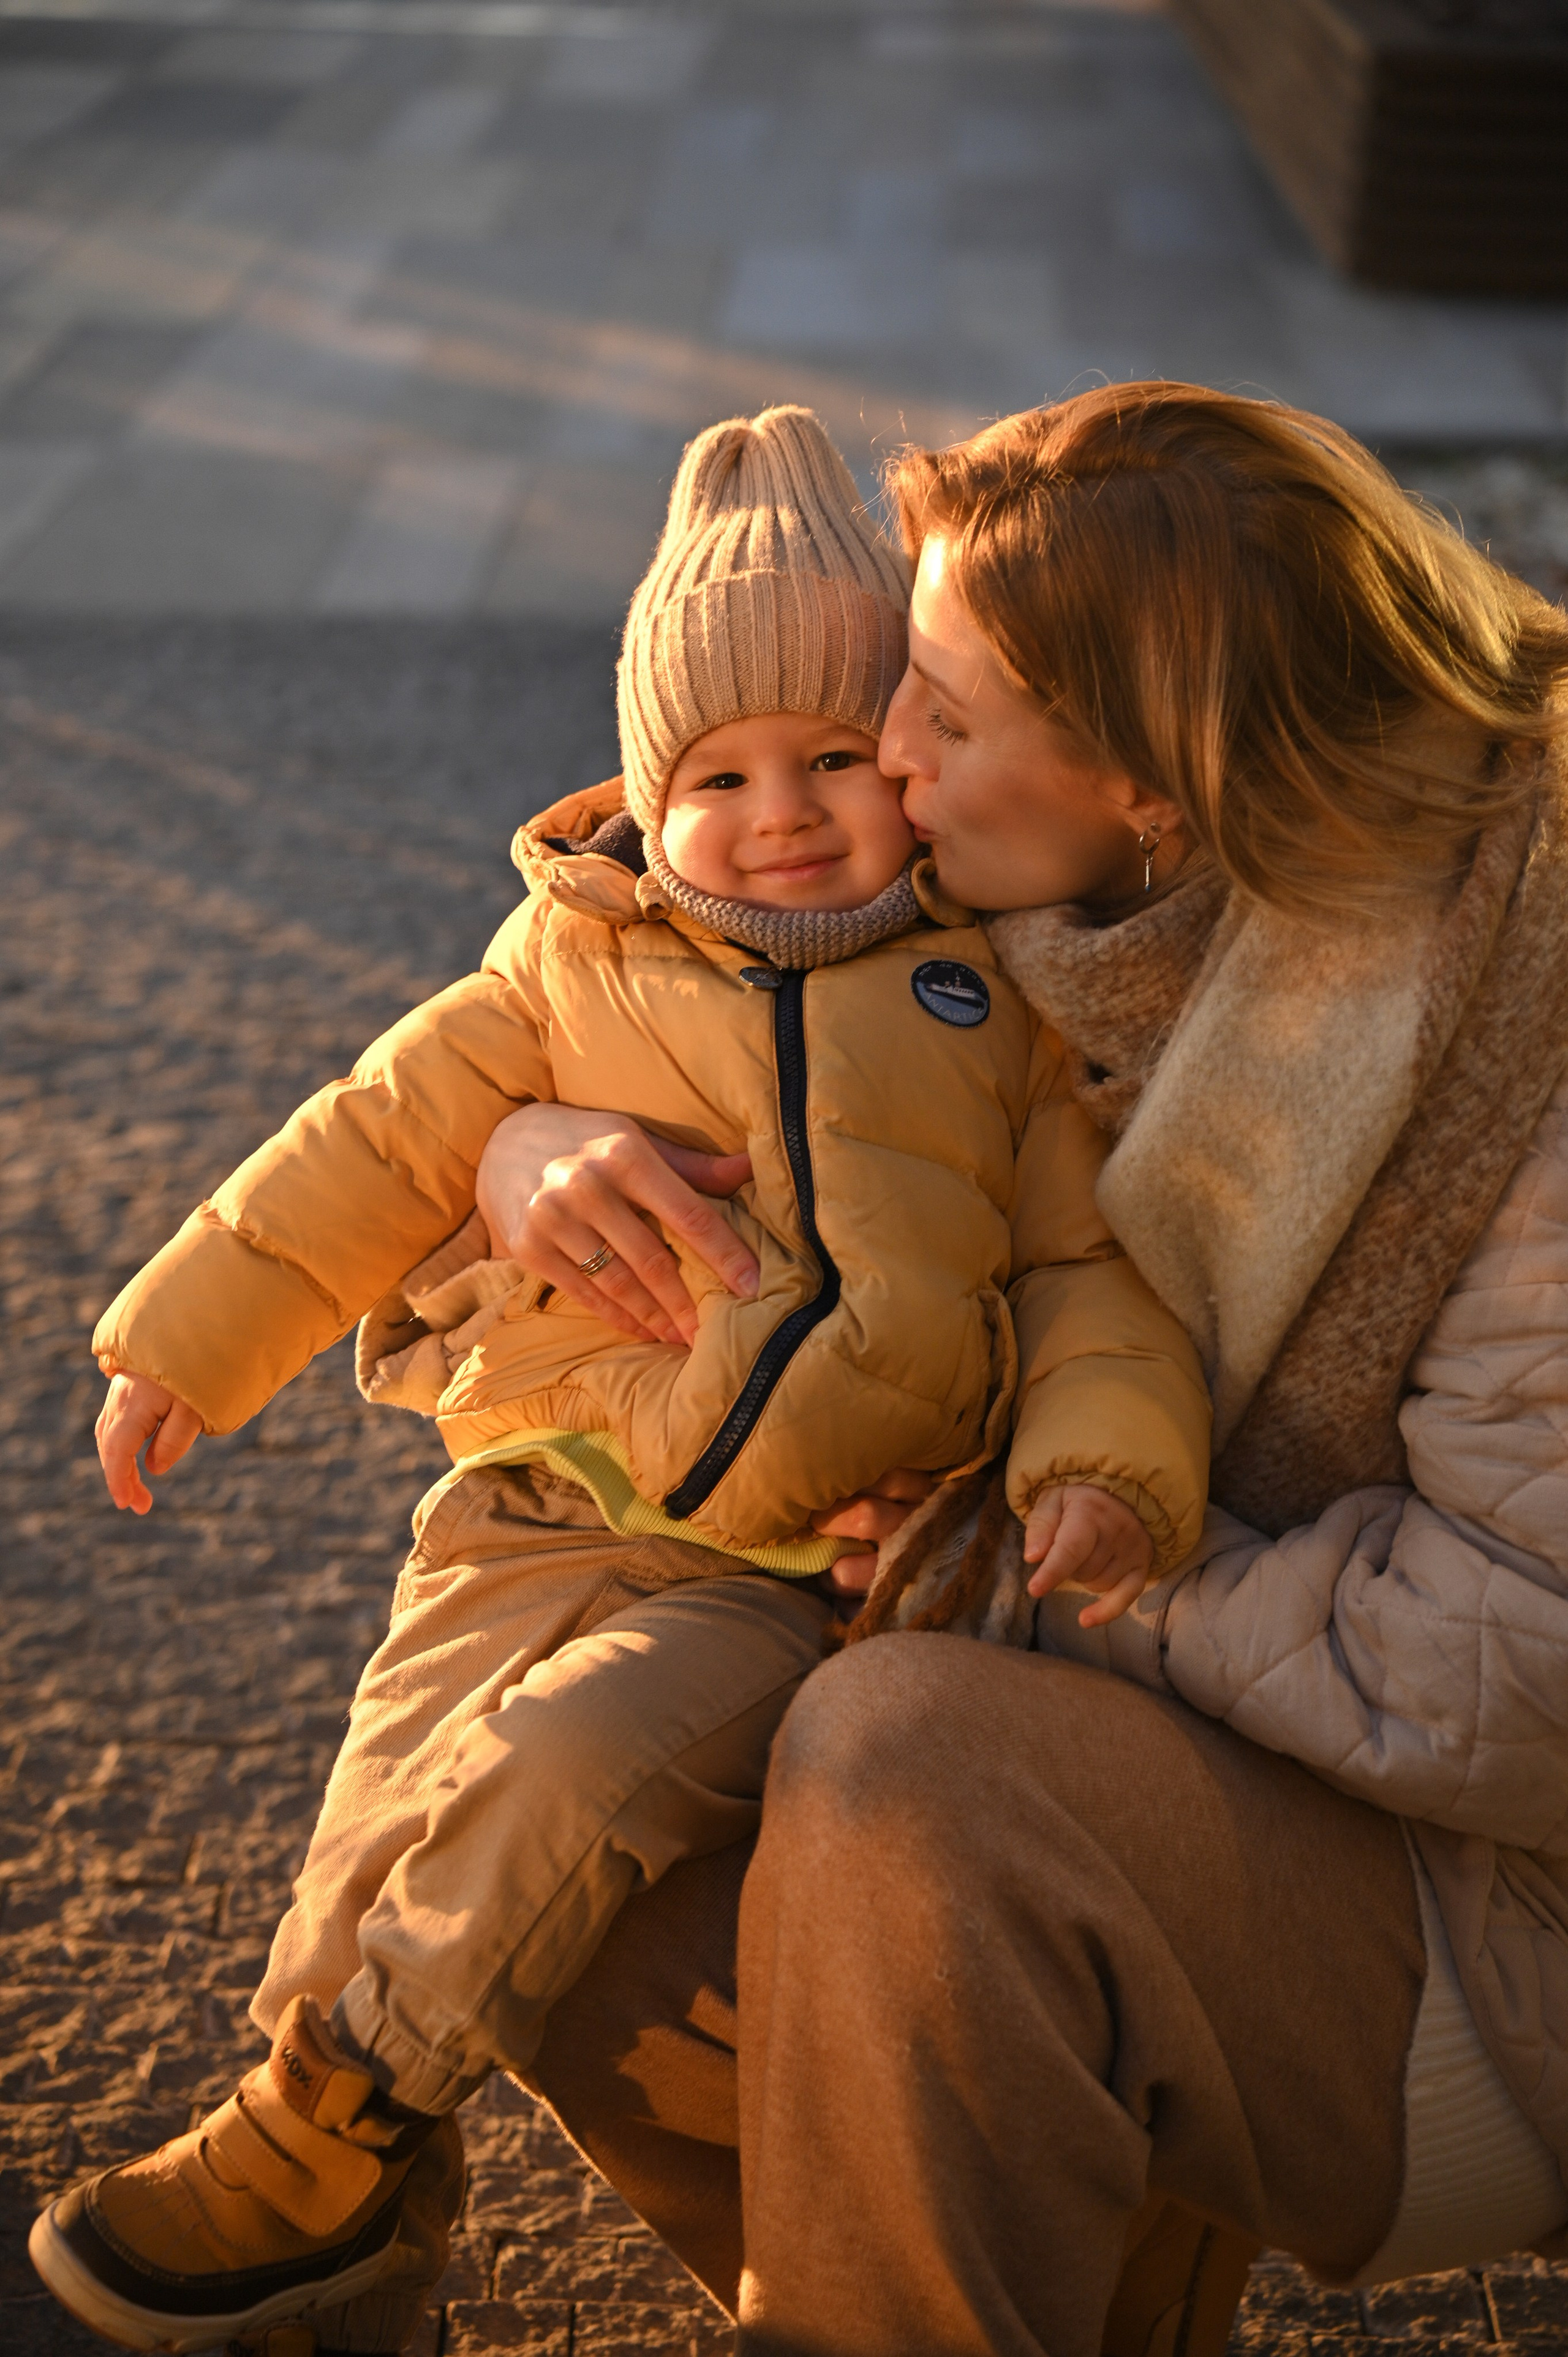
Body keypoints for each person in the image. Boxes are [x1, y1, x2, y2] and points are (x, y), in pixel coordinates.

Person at [29, 405, 1210, 2356]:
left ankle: (332, 2126)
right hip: (537, 1501)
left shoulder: (979, 1000)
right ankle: (335, 2133)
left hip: (764, 1572)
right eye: (720, 771)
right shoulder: (562, 963)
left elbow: (1090, 1274)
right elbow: (372, 1146)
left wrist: (1108, 1467)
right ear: (645, 786)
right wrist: (184, 1341)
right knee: (389, 1789)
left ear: (906, 762)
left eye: (838, 755)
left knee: (552, 1776)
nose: (785, 812)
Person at [472, 384, 1568, 2357]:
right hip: (1258, 1754)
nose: (882, 764)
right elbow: (652, 961)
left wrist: (1040, 1567)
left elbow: (1530, 1656)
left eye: (943, 721)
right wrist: (523, 1146)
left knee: (907, 1761)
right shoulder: (1068, 933)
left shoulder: (1526, 1022)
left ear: (1152, 783)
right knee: (569, 1830)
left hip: (1505, 1910)